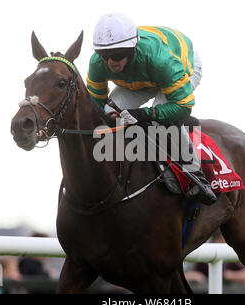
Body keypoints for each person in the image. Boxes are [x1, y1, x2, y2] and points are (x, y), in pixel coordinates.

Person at [87, 12, 217, 205]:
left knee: (157, 121)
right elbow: (95, 106)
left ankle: (196, 175)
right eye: (104, 55)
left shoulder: (161, 60)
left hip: (179, 65)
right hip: (140, 77)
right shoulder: (98, 64)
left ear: (132, 49)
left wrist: (144, 114)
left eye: (117, 55)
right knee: (108, 114)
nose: (110, 62)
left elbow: (183, 105)